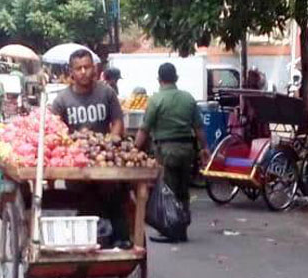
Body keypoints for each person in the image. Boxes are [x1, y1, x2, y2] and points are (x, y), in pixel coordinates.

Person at [51, 49, 130, 249]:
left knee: (115, 195)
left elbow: (118, 121)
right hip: (76, 164)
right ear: (71, 72)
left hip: (104, 160)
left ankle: (121, 238)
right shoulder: (62, 100)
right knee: (83, 205)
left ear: (94, 69)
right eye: (79, 68)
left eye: (87, 67)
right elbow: (55, 131)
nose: (84, 72)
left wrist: (112, 140)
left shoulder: (106, 92)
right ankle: (82, 253)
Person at [134, 63, 210, 242]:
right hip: (187, 150)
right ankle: (182, 228)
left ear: (159, 79)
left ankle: (171, 229)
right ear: (176, 78)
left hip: (166, 151)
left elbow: (144, 130)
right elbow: (199, 128)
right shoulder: (188, 98)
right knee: (183, 190)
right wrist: (205, 149)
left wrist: (134, 149)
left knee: (168, 191)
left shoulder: (156, 100)